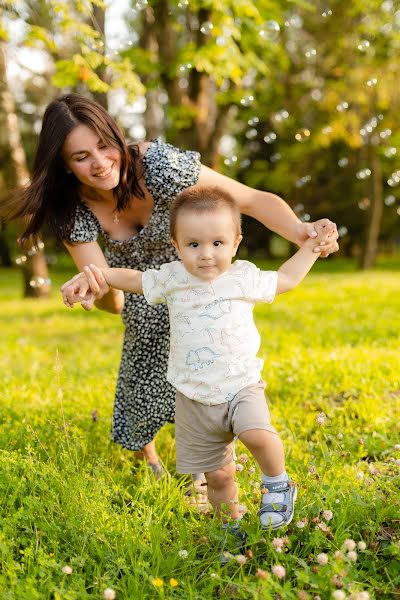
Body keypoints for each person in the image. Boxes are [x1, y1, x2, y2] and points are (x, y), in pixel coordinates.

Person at [7, 93, 338, 488]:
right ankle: (146, 452)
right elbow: (113, 297)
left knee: (205, 376)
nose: (99, 162)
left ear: (116, 136)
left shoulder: (157, 165)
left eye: (103, 145)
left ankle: (204, 466)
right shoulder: (71, 210)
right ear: (63, 163)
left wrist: (305, 233)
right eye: (80, 157)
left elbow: (249, 200)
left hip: (199, 277)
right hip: (141, 292)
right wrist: (94, 291)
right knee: (143, 378)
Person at [61, 185, 333, 542]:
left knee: (256, 435)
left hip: (241, 385)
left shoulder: (242, 276)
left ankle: (277, 485)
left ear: (235, 243)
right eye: (194, 245)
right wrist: (96, 275)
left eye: (217, 244)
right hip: (193, 396)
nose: (206, 255)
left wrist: (313, 245)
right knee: (218, 477)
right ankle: (228, 530)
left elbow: (287, 278)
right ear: (176, 246)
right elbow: (134, 279)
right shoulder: (172, 278)